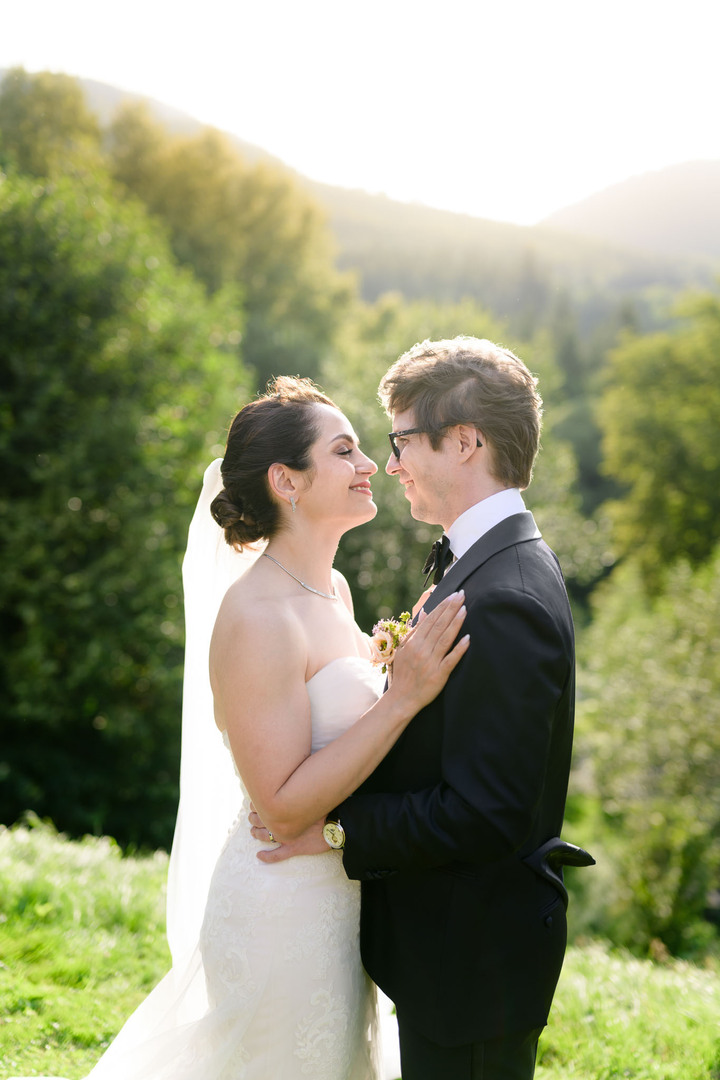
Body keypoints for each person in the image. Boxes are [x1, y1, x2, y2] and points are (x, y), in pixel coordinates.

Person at [8, 375, 468, 1080]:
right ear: (287, 480)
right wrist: (399, 699)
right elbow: (281, 807)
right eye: (345, 451)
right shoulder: (256, 617)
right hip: (280, 911)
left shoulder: (335, 590)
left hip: (342, 900)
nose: (371, 464)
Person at [256, 340, 593, 1080]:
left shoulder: (501, 596)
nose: (393, 462)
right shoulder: (485, 560)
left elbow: (487, 812)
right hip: (451, 949)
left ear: (467, 442)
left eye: (403, 440)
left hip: (473, 961)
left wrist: (337, 830)